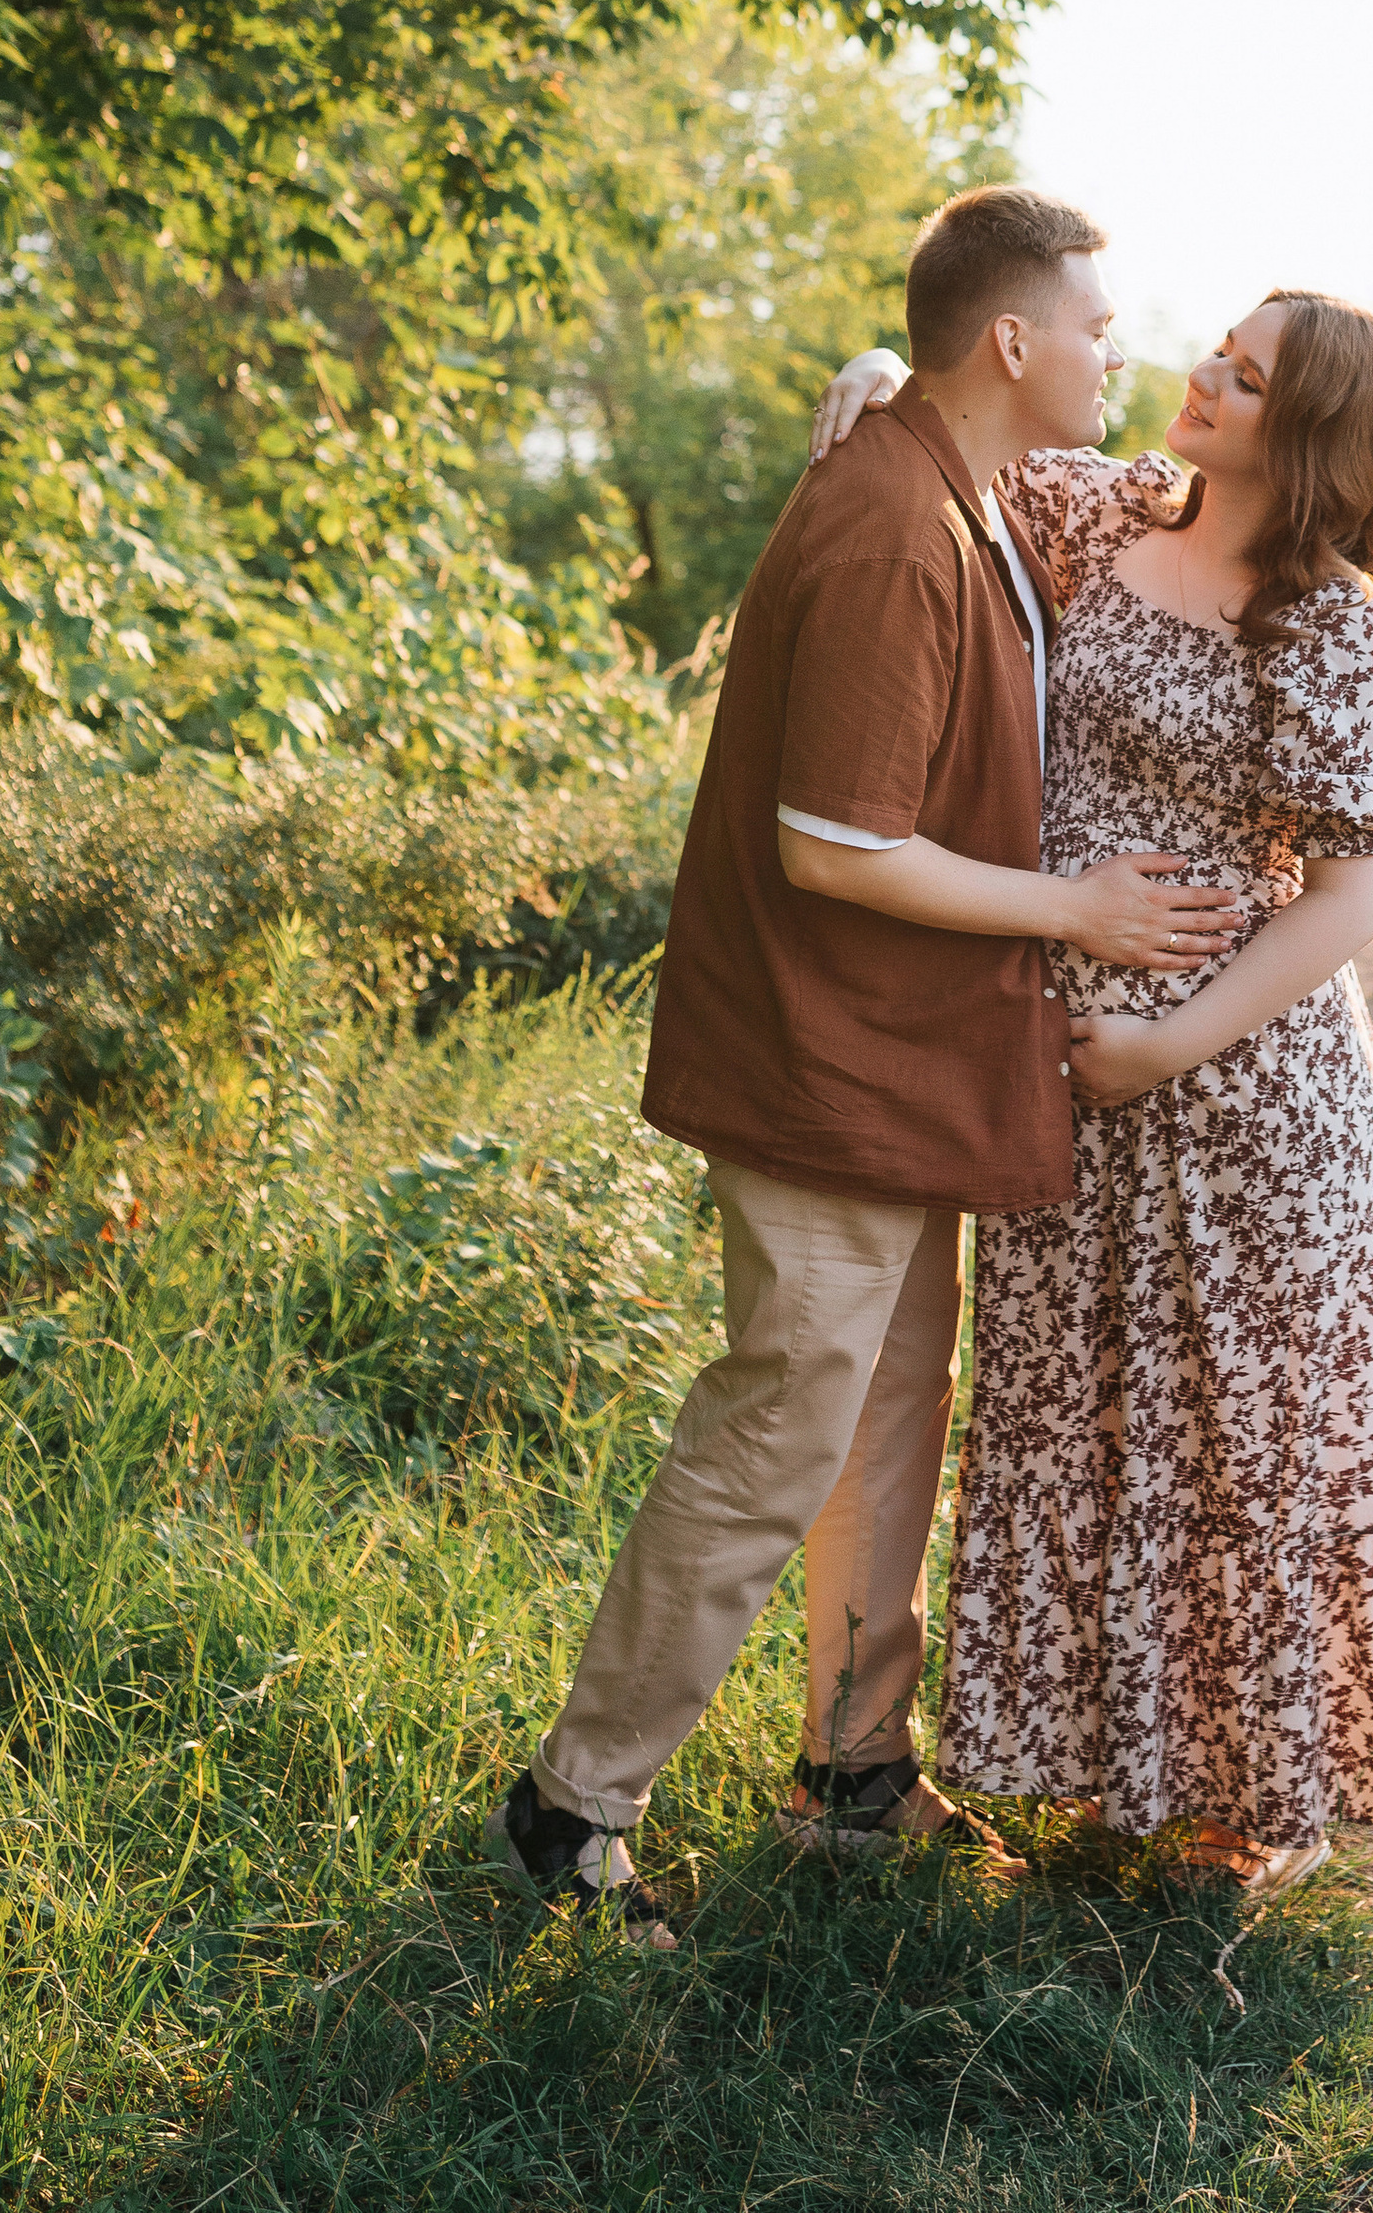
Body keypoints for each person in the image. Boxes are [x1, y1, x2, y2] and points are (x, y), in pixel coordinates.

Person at [490, 187, 1241, 1943]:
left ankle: (850, 1768)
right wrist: (1082, 910)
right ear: (1011, 342)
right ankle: (573, 1808)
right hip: (823, 1062)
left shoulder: (965, 479)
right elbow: (836, 840)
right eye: (1096, 323)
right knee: (779, 1431)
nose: (1117, 348)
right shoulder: (903, 520)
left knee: (881, 1421)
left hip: (901, 1068)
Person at [811, 288, 1373, 1898]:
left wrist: (1173, 1042)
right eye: (1218, 354)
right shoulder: (1095, 513)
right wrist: (886, 372)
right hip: (1062, 1086)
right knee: (1090, 1424)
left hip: (1252, 1102)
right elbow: (959, 440)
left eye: (1246, 380)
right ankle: (1111, 1779)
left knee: (1247, 1443)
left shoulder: (1341, 622)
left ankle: (1260, 1809)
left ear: (1314, 432)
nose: (1204, 378)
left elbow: (1350, 897)